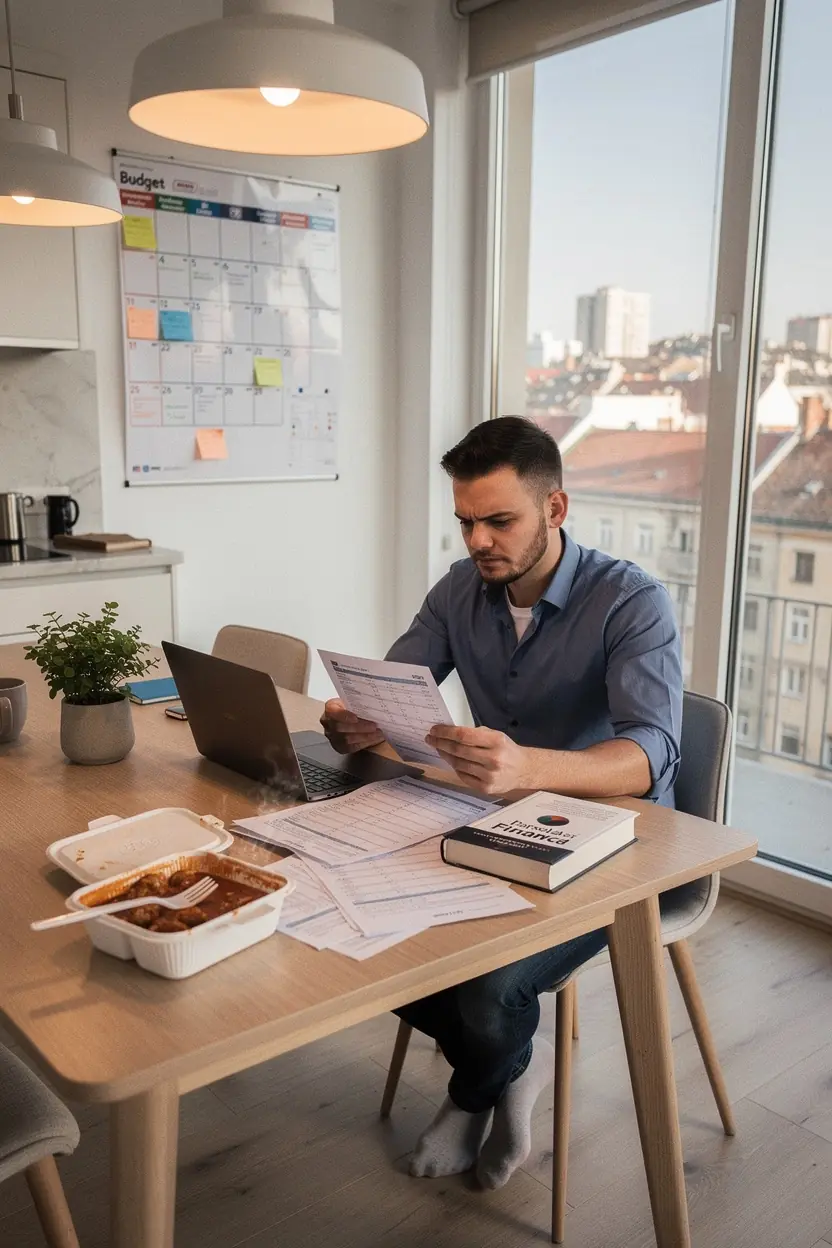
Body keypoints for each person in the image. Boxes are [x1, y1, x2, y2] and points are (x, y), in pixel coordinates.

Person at [320, 415, 682, 1190]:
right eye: (465, 521)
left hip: (612, 846)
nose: (477, 540)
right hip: (484, 826)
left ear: (554, 510)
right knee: (354, 926)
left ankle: (476, 1088)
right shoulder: (460, 589)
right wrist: (358, 719)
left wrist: (528, 768)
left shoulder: (631, 602)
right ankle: (518, 1056)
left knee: (487, 990)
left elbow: (649, 757)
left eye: (498, 520)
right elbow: (395, 684)